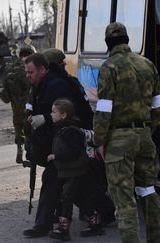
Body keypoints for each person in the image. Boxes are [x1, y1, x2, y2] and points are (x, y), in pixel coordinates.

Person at [93, 22, 160, 243]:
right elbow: (158, 105)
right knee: (148, 192)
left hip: (119, 141)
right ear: (127, 40)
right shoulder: (147, 64)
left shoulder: (109, 67)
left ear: (107, 43)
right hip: (144, 137)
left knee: (124, 200)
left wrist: (98, 140)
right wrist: (147, 128)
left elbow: (104, 109)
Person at [43, 48, 116, 226]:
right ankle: (94, 214)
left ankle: (94, 215)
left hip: (78, 137)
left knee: (81, 183)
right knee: (83, 183)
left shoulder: (59, 84)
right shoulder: (69, 82)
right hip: (82, 133)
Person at [22, 53, 73, 238]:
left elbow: (65, 115)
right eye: (26, 72)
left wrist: (44, 118)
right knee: (79, 186)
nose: (28, 76)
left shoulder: (55, 85)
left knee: (52, 180)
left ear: (43, 69)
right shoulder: (39, 85)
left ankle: (42, 224)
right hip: (55, 142)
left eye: (31, 72)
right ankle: (103, 212)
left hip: (66, 142)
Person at [47, 98, 104, 241]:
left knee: (66, 198)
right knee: (80, 197)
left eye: (54, 112)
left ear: (64, 115)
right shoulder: (62, 129)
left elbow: (74, 151)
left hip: (76, 170)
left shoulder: (70, 131)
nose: (51, 114)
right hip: (70, 170)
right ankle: (95, 223)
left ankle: (63, 229)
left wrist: (56, 156)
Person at [0, 46, 34, 163]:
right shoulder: (32, 67)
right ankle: (30, 152)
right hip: (31, 103)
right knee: (30, 127)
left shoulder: (10, 68)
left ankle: (20, 148)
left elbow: (4, 89)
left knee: (18, 128)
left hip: (16, 106)